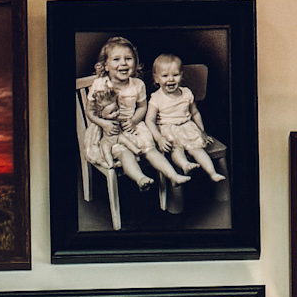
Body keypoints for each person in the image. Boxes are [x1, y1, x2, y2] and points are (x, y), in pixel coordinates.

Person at [83, 37, 186, 191]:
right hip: (108, 130)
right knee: (124, 153)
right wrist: (104, 124)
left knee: (150, 149)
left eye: (128, 59)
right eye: (116, 59)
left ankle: (173, 175)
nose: (123, 63)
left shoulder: (138, 85)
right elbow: (90, 111)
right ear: (105, 65)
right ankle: (140, 178)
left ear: (135, 63)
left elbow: (142, 107)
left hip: (133, 126)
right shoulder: (100, 84)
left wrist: (134, 120)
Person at [146, 54, 225, 182]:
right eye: (165, 76)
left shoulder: (187, 93)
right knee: (176, 150)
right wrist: (159, 138)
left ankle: (212, 172)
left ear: (182, 75)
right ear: (156, 78)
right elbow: (149, 120)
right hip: (167, 129)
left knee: (197, 149)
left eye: (175, 75)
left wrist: (202, 131)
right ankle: (185, 165)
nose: (171, 79)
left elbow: (195, 113)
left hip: (187, 127)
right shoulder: (156, 97)